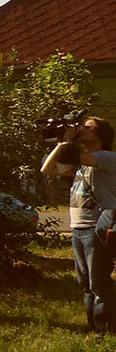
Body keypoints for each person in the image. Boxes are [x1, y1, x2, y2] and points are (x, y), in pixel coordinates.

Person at [42, 116, 116, 334]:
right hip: (79, 227)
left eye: (88, 127)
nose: (81, 129)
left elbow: (70, 154)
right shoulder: (82, 161)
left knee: (98, 282)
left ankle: (107, 329)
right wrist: (60, 141)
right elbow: (47, 169)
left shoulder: (106, 157)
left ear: (100, 135)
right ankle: (94, 327)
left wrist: (67, 139)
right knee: (85, 282)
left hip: (97, 227)